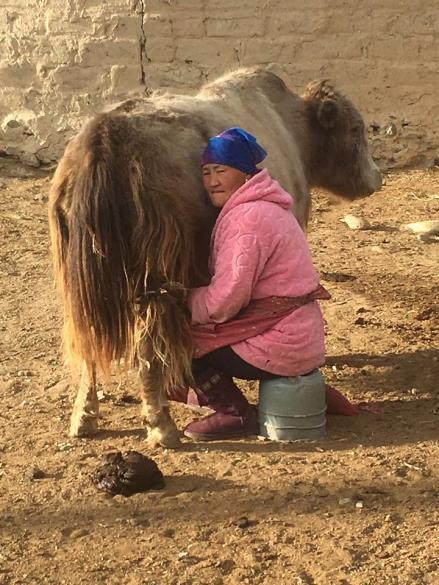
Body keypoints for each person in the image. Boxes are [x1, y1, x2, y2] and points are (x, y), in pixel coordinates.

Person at [169, 127, 339, 441]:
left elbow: (227, 298)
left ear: (247, 174)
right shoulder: (262, 207)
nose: (211, 181)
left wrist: (183, 303)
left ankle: (234, 413)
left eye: (221, 171)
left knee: (173, 345)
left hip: (282, 342)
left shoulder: (249, 218)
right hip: (296, 336)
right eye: (206, 172)